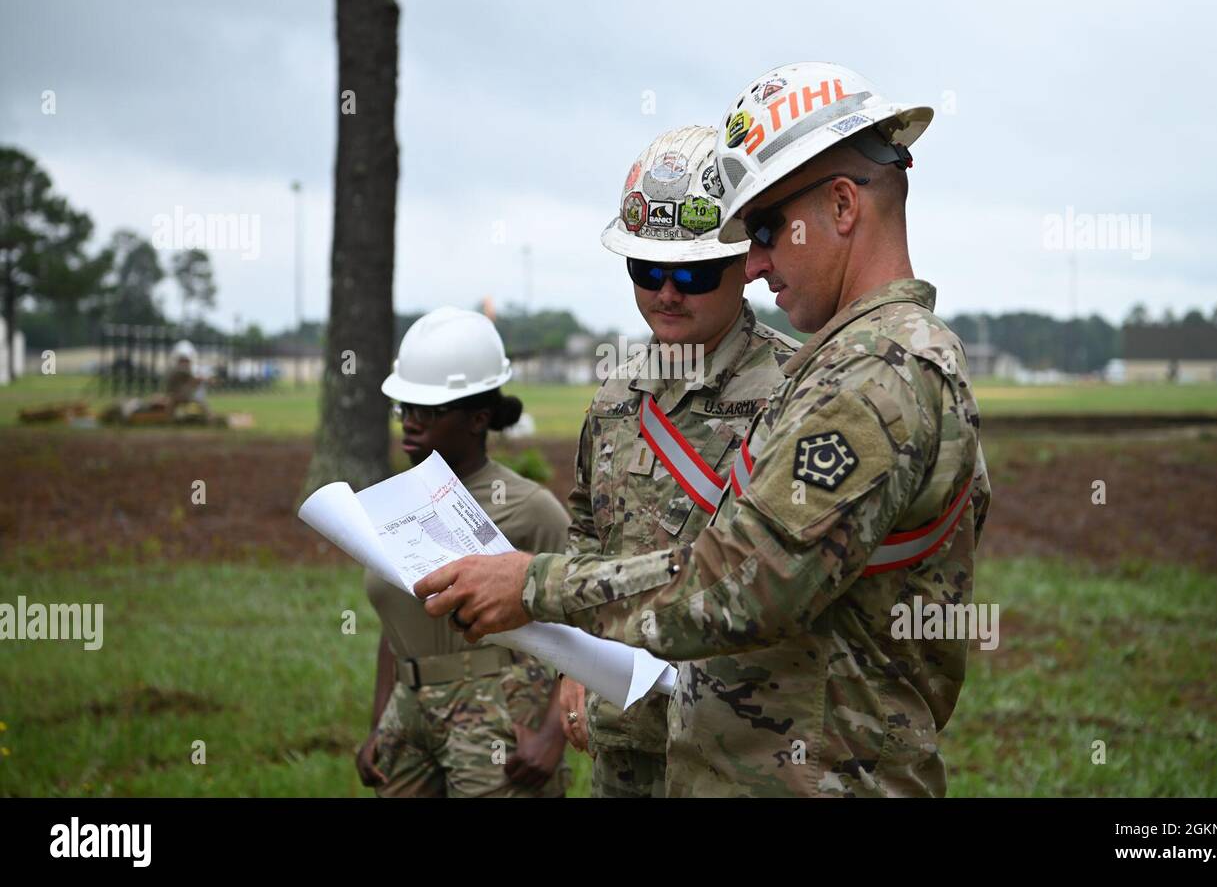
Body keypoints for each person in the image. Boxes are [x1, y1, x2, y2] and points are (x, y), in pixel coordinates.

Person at [415, 62, 993, 797]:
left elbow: (746, 581)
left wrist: (533, 586)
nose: (753, 262)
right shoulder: (860, 363)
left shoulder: (876, 373)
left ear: (843, 206)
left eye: (763, 229)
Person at [555, 125, 797, 797]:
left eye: (691, 272)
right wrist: (573, 664)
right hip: (625, 736)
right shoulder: (614, 397)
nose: (667, 292)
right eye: (646, 271)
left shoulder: (797, 388)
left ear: (745, 263)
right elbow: (587, 538)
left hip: (740, 745)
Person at [356, 307, 572, 798]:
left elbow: (589, 624)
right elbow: (396, 624)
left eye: (427, 412)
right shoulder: (393, 504)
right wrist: (379, 724)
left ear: (478, 420)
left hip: (494, 716)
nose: (409, 422)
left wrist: (551, 738)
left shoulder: (531, 509)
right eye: (403, 409)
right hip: (407, 719)